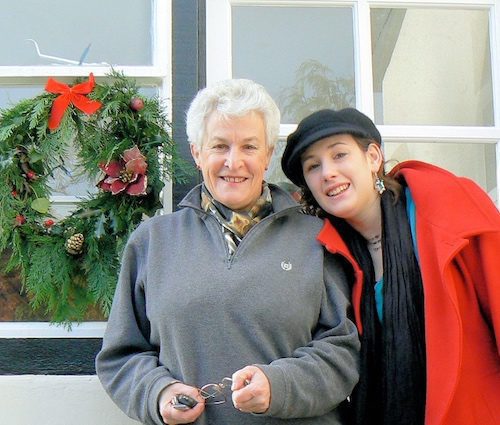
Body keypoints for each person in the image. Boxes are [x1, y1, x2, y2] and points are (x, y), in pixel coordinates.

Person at [96, 80, 360, 425]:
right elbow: (122, 355)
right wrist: (158, 393)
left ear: (267, 155)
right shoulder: (152, 242)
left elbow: (342, 352)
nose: (233, 162)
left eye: (249, 147)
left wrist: (279, 386)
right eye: (219, 146)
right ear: (196, 152)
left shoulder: (317, 239)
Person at [281, 107, 500, 425]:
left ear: (372, 158)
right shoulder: (329, 256)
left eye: (339, 155)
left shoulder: (450, 206)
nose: (327, 172)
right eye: (313, 166)